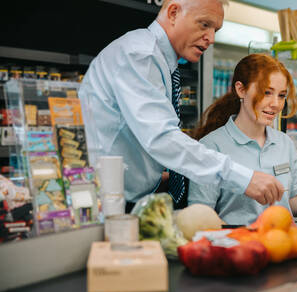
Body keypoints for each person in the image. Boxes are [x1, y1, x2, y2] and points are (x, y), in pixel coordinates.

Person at [78, 0, 284, 210]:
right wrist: (243, 178)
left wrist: (159, 175)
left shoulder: (159, 60)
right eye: (204, 24)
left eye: (215, 30)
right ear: (174, 13)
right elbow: (161, 138)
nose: (211, 38)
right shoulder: (141, 55)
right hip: (105, 204)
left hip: (128, 198)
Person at [188, 54, 297, 225]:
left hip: (283, 245)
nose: (276, 104)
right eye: (266, 92)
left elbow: (290, 199)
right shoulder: (211, 147)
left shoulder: (284, 143)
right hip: (237, 246)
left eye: (282, 95)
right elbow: (200, 216)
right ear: (241, 90)